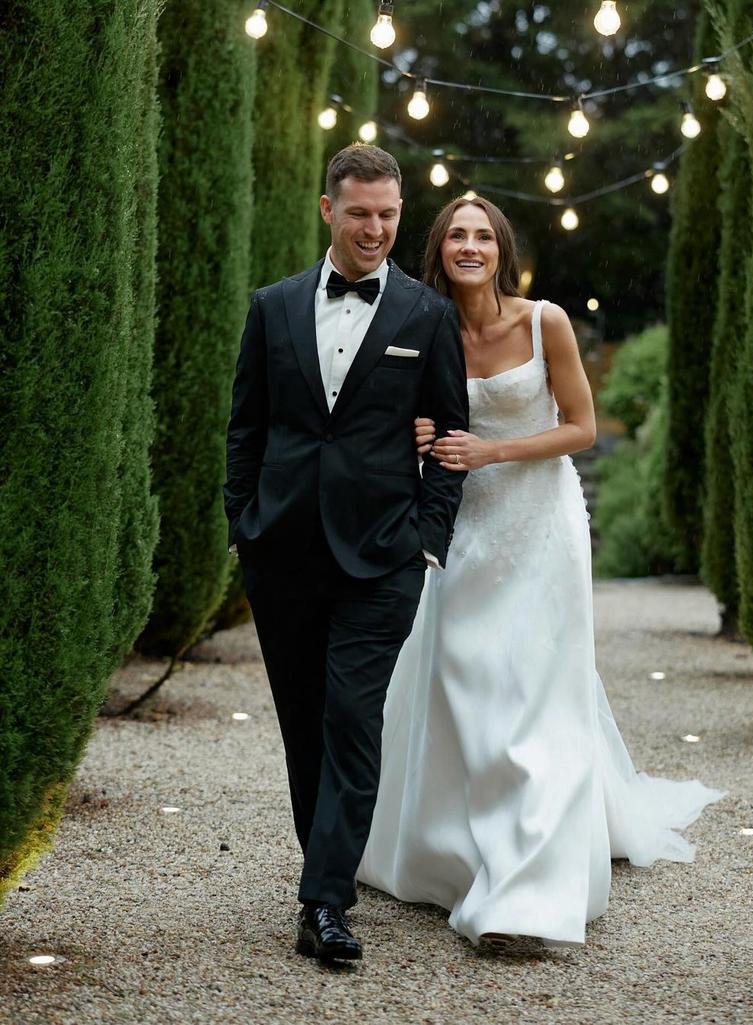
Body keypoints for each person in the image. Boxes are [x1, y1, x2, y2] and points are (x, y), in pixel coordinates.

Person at [357, 196, 724, 946]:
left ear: (501, 248)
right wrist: (422, 434)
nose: (469, 245)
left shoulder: (543, 320)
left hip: (539, 525)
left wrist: (491, 449)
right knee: (464, 675)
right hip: (463, 525)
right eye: (456, 234)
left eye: (482, 235)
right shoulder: (424, 328)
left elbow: (582, 427)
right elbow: (409, 426)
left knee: (533, 693)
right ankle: (455, 849)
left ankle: (527, 885)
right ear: (440, 249)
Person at [223, 145, 469, 962]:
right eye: (361, 213)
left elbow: (451, 435)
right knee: (304, 725)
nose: (376, 229)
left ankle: (325, 903)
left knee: (353, 718)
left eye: (389, 215)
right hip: (282, 549)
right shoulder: (274, 305)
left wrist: (427, 539)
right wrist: (242, 523)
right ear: (329, 209)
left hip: (382, 556)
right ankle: (326, 861)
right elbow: (247, 427)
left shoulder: (426, 316)